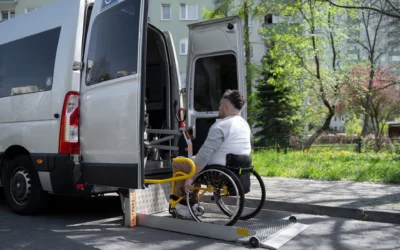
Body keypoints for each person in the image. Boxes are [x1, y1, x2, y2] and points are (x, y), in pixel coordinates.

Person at [171, 89, 252, 218]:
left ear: (226, 107)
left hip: (217, 173)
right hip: (236, 170)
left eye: (220, 105)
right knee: (193, 161)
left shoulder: (221, 126)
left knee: (179, 162)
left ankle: (184, 204)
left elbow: (204, 156)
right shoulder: (244, 124)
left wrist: (190, 178)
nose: (219, 108)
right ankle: (192, 201)